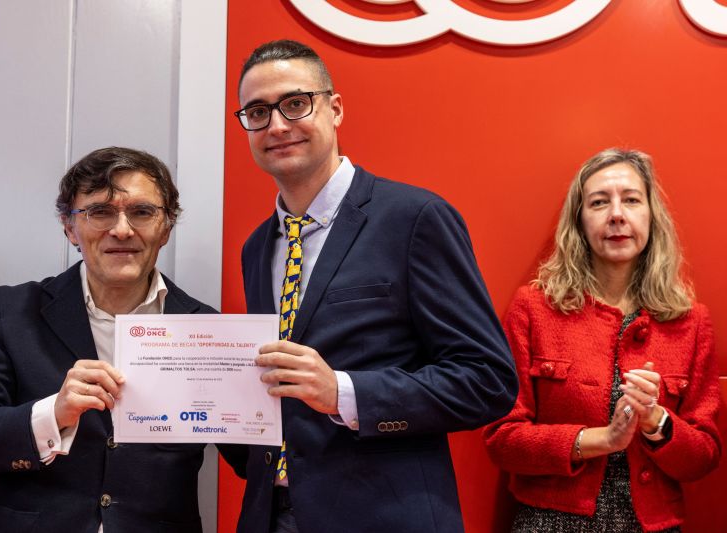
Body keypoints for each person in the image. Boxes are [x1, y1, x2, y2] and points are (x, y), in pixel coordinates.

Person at [231, 39, 518, 533]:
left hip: (382, 516)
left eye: (295, 103)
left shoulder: (415, 219)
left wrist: (343, 392)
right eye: (257, 112)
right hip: (270, 515)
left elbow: (486, 380)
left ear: (335, 108)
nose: (276, 126)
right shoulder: (258, 246)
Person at [0, 147, 225, 532]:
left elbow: (253, 457)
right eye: (100, 212)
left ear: (166, 228)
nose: (122, 230)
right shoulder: (11, 312)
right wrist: (53, 413)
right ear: (69, 227)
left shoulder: (206, 330)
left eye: (142, 212)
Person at [483, 148, 721, 532]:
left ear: (652, 216)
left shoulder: (691, 322)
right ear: (579, 221)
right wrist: (601, 440)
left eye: (631, 200)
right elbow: (502, 439)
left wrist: (656, 421)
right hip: (549, 522)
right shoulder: (534, 308)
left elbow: (703, 458)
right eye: (599, 202)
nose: (616, 214)